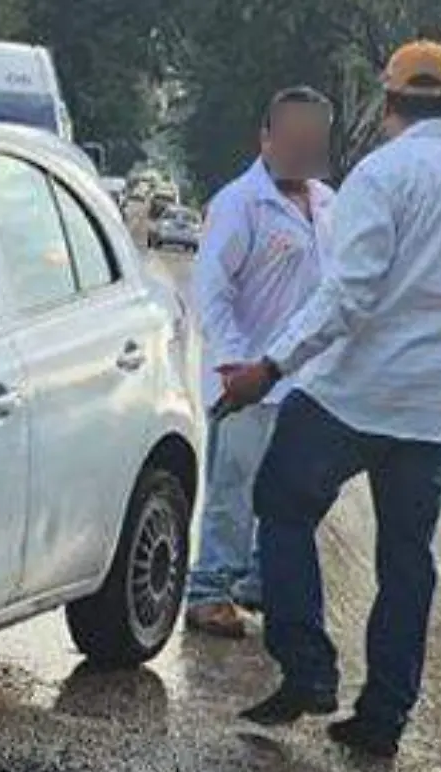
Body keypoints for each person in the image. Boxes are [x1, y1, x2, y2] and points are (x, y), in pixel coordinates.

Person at [216, 41, 441, 757]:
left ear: (388, 105)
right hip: (434, 411)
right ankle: (383, 718)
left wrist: (269, 368)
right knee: (407, 558)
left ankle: (308, 666)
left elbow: (347, 297)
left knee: (283, 503)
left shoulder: (382, 175)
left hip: (350, 395)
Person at [186, 87, 337, 638]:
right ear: (266, 138)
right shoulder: (240, 203)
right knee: (234, 490)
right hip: (248, 379)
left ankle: (259, 581)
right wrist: (233, 362)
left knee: (292, 491)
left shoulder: (328, 204)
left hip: (306, 382)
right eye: (291, 136)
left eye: (312, 139)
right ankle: (209, 591)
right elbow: (210, 290)